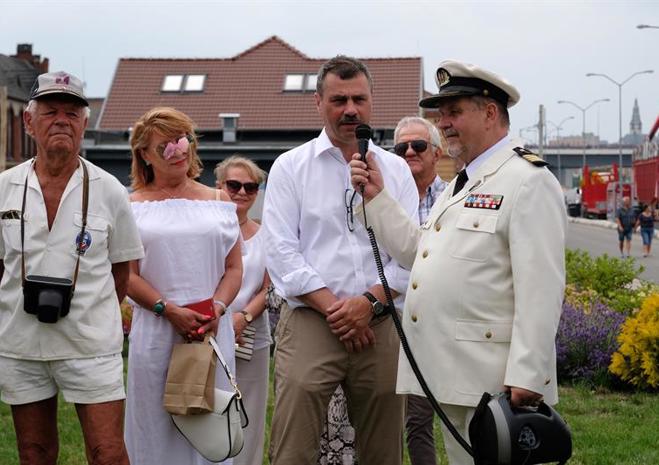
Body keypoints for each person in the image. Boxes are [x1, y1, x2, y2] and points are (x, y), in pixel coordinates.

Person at [350, 60, 566, 465]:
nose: (443, 123)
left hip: (494, 381)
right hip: (457, 375)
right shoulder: (461, 184)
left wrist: (528, 374)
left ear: (490, 112)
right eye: (441, 114)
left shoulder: (527, 180)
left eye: (454, 111)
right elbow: (421, 253)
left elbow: (542, 287)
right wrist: (377, 198)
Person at [263, 55, 418, 465]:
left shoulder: (397, 170)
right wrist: (340, 312)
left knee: (384, 450)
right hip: (313, 319)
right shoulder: (290, 168)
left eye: (359, 99)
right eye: (339, 100)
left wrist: (366, 306)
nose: (351, 110)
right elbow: (280, 253)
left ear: (371, 102)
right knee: (293, 448)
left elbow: (413, 254)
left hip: (380, 321)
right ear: (318, 102)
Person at [0, 71, 144, 464]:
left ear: (84, 124)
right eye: (50, 112)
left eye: (72, 113)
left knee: (107, 452)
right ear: (29, 122)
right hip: (21, 343)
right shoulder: (5, 187)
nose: (62, 121)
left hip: (89, 344)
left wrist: (92, 313)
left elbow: (122, 272)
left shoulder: (109, 190)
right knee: (34, 452)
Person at [125, 107, 242, 465]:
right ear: (144, 154)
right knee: (154, 429)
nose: (177, 151)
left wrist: (218, 307)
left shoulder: (220, 202)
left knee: (210, 426)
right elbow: (127, 275)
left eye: (182, 140)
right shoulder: (131, 207)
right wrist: (167, 309)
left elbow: (234, 268)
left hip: (210, 332)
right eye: (165, 146)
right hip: (157, 332)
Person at [392, 116, 447, 465]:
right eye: (402, 148)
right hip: (392, 318)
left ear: (437, 152)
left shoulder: (456, 196)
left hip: (439, 322)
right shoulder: (388, 200)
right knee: (398, 417)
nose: (409, 152)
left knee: (439, 416)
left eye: (419, 145)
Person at [214, 155, 270, 465]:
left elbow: (269, 287)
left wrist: (245, 317)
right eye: (234, 185)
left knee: (250, 415)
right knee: (208, 414)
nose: (242, 192)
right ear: (219, 186)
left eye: (251, 187)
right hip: (208, 332)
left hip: (251, 337)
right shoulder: (208, 231)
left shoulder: (266, 235)